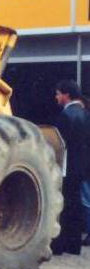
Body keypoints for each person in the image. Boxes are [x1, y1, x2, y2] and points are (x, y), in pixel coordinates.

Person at [51, 80, 88, 255]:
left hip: (68, 167)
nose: (56, 97)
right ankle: (74, 245)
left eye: (58, 93)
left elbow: (59, 144)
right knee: (75, 205)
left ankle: (59, 245)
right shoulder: (83, 113)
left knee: (64, 206)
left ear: (66, 95)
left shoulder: (66, 116)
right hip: (80, 167)